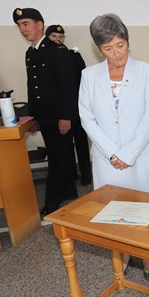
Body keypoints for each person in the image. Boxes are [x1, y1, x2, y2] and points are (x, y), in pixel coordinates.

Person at [78, 13, 149, 281]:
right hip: (107, 158)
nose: (116, 54)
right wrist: (112, 153)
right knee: (115, 213)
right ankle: (122, 258)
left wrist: (128, 153)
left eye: (120, 45)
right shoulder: (89, 75)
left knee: (147, 209)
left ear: (128, 41)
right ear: (98, 48)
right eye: (108, 48)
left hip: (140, 154)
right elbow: (86, 117)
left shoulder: (146, 71)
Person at [13, 7, 78, 215]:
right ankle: (69, 191)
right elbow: (33, 86)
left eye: (26, 24)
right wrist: (32, 117)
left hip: (60, 116)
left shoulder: (56, 50)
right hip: (45, 116)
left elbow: (69, 85)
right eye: (19, 26)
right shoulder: (31, 52)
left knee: (57, 159)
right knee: (60, 155)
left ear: (39, 24)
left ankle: (51, 203)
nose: (22, 29)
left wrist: (66, 116)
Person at [45, 24, 92, 186]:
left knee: (81, 142)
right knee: (65, 145)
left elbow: (83, 82)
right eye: (54, 37)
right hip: (59, 110)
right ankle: (71, 173)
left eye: (61, 37)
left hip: (77, 107)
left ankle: (87, 173)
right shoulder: (44, 57)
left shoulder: (73, 55)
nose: (58, 40)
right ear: (47, 38)